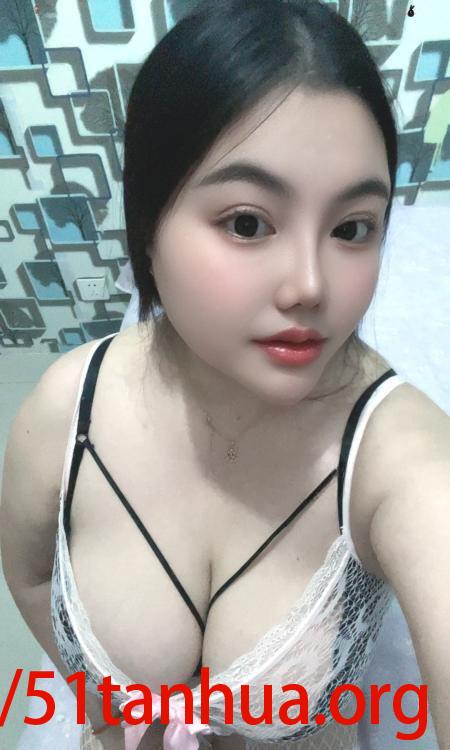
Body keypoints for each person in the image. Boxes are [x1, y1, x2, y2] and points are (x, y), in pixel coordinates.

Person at [1, 1, 448, 749]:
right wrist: (106, 713)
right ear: (148, 225)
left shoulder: (401, 457)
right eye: (247, 223)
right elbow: (31, 576)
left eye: (352, 228)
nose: (310, 286)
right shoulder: (63, 413)